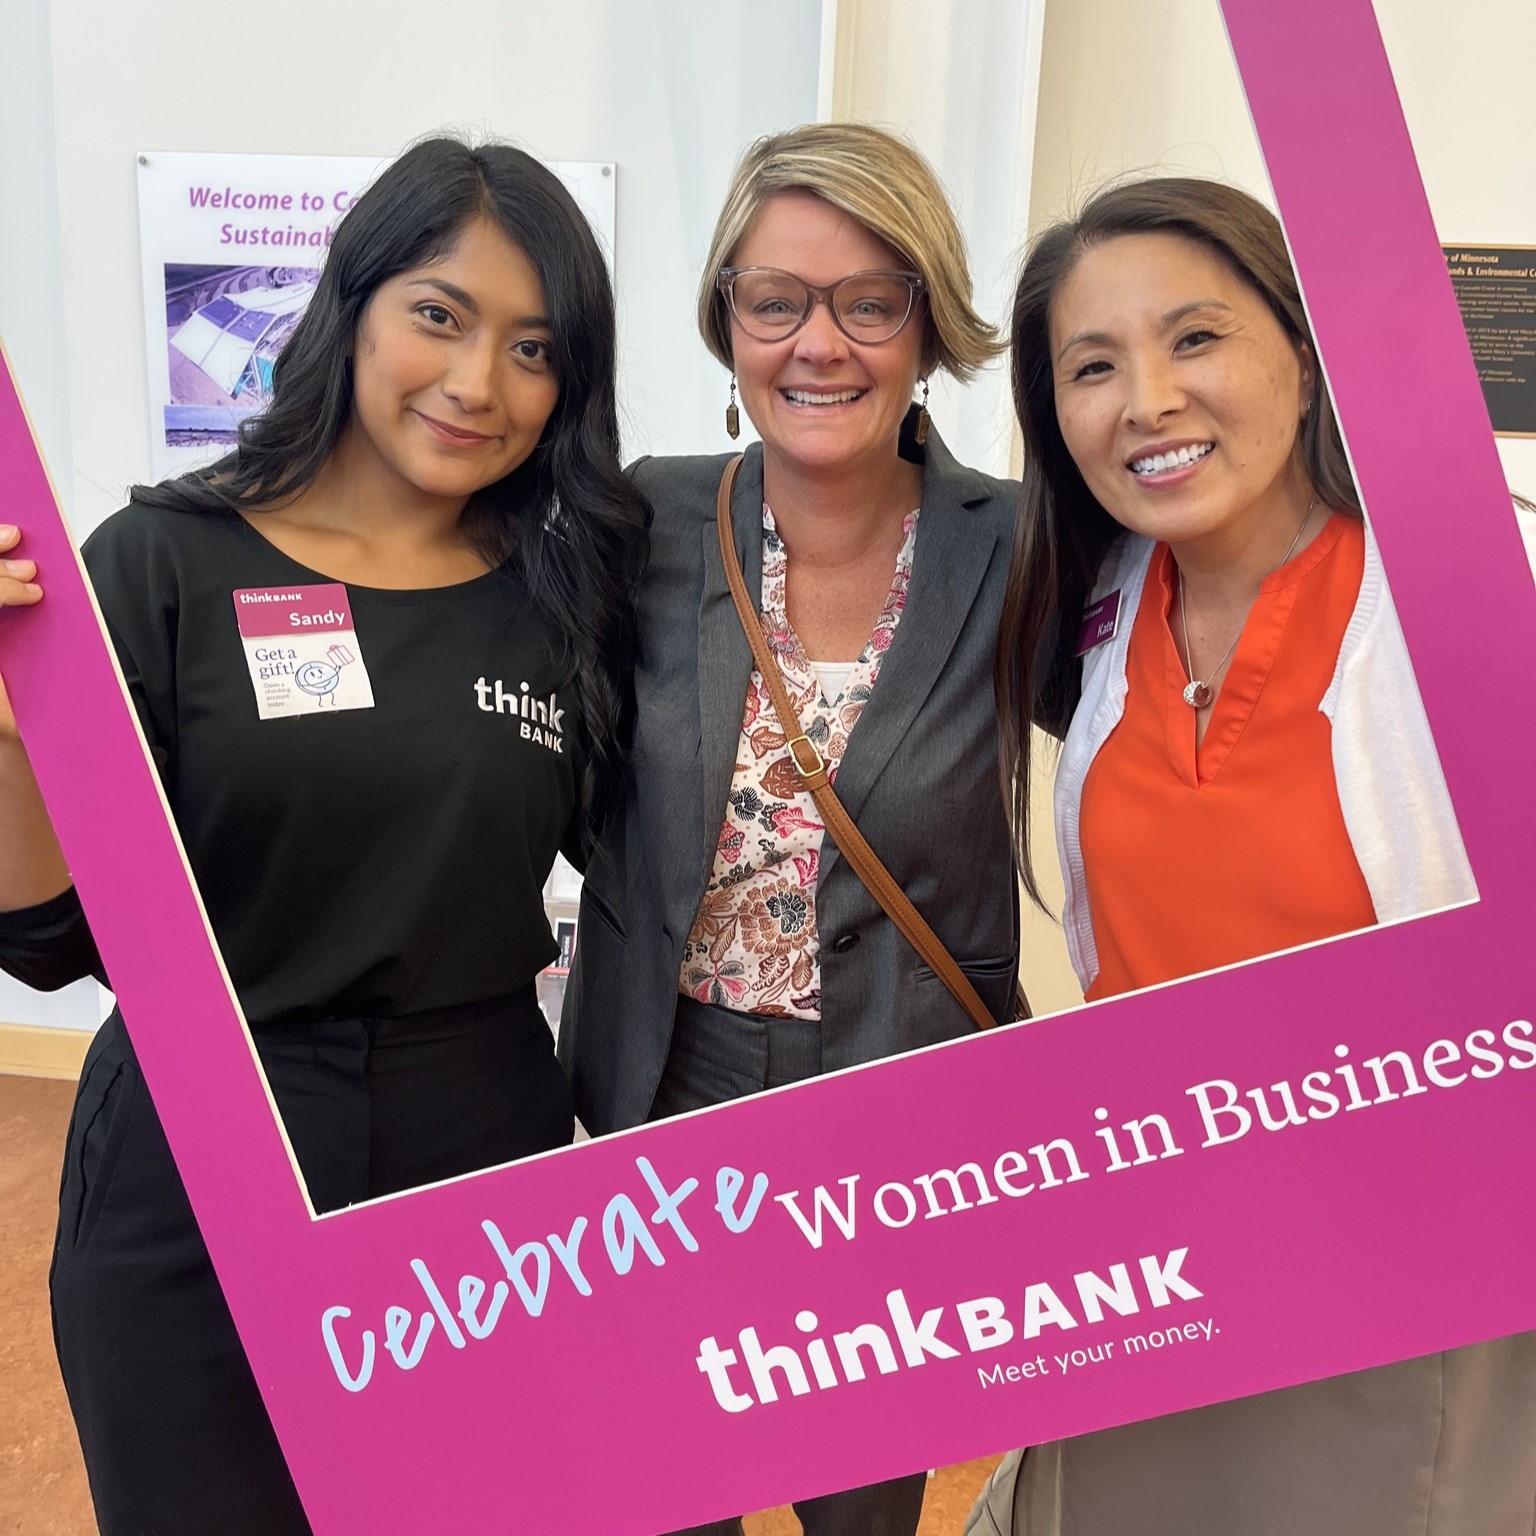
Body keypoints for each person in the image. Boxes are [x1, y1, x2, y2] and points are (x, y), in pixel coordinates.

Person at [0, 137, 649, 1536]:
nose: (479, 384)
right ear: (349, 304)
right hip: (204, 1143)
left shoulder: (567, 589)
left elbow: (639, 849)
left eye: (534, 347)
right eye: (439, 314)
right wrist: (7, 721)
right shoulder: (167, 558)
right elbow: (51, 938)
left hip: (478, 1143)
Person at [977, 175, 1536, 1535]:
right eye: (1091, 367)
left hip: (1406, 1280)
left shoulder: (1472, 592)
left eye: (1197, 337)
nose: (1148, 400)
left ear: (1302, 346)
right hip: (1159, 1268)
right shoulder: (1101, 605)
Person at [558, 121, 1022, 1536]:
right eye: (777, 301)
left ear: (928, 320)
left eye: (868, 301)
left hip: (898, 1108)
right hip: (667, 1081)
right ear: (729, 321)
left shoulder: (1018, 544)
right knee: (667, 1482)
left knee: (858, 1500)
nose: (819, 343)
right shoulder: (645, 521)